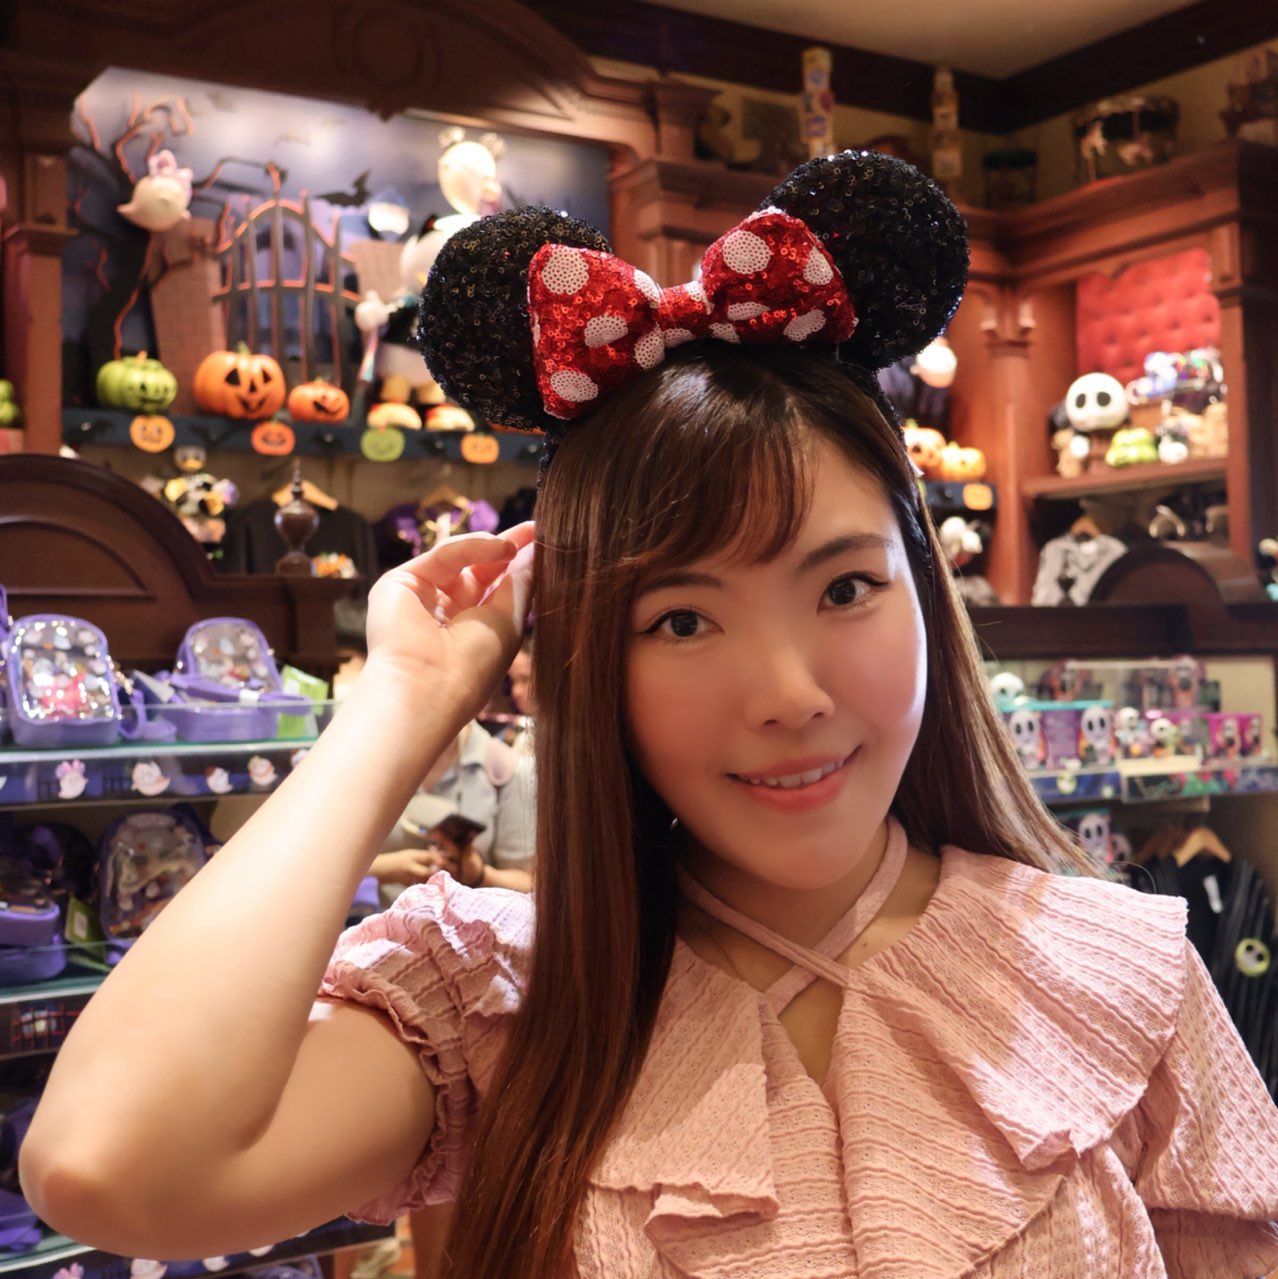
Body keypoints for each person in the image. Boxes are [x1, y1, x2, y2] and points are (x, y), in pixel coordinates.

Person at [21, 153, 1278, 1279]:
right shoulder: (512, 1006)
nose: (789, 694)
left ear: (926, 596)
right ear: (587, 659)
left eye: (845, 588)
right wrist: (398, 706)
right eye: (681, 620)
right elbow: (108, 1162)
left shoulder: (1117, 974)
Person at [371, 718, 534, 894]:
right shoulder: (369, 753)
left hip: (469, 909)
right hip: (374, 909)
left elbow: (528, 884)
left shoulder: (505, 767)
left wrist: (479, 875)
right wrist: (384, 869)